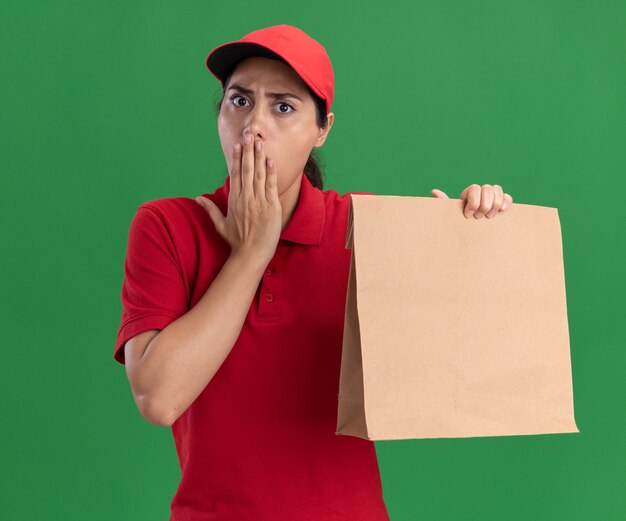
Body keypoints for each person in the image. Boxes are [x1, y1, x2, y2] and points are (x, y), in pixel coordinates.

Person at [113, 24, 513, 521]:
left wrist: (475, 232)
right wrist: (251, 253)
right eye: (239, 101)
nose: (254, 126)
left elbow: (455, 360)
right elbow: (158, 397)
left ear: (322, 128)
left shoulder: (366, 226)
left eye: (283, 107)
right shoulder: (167, 226)